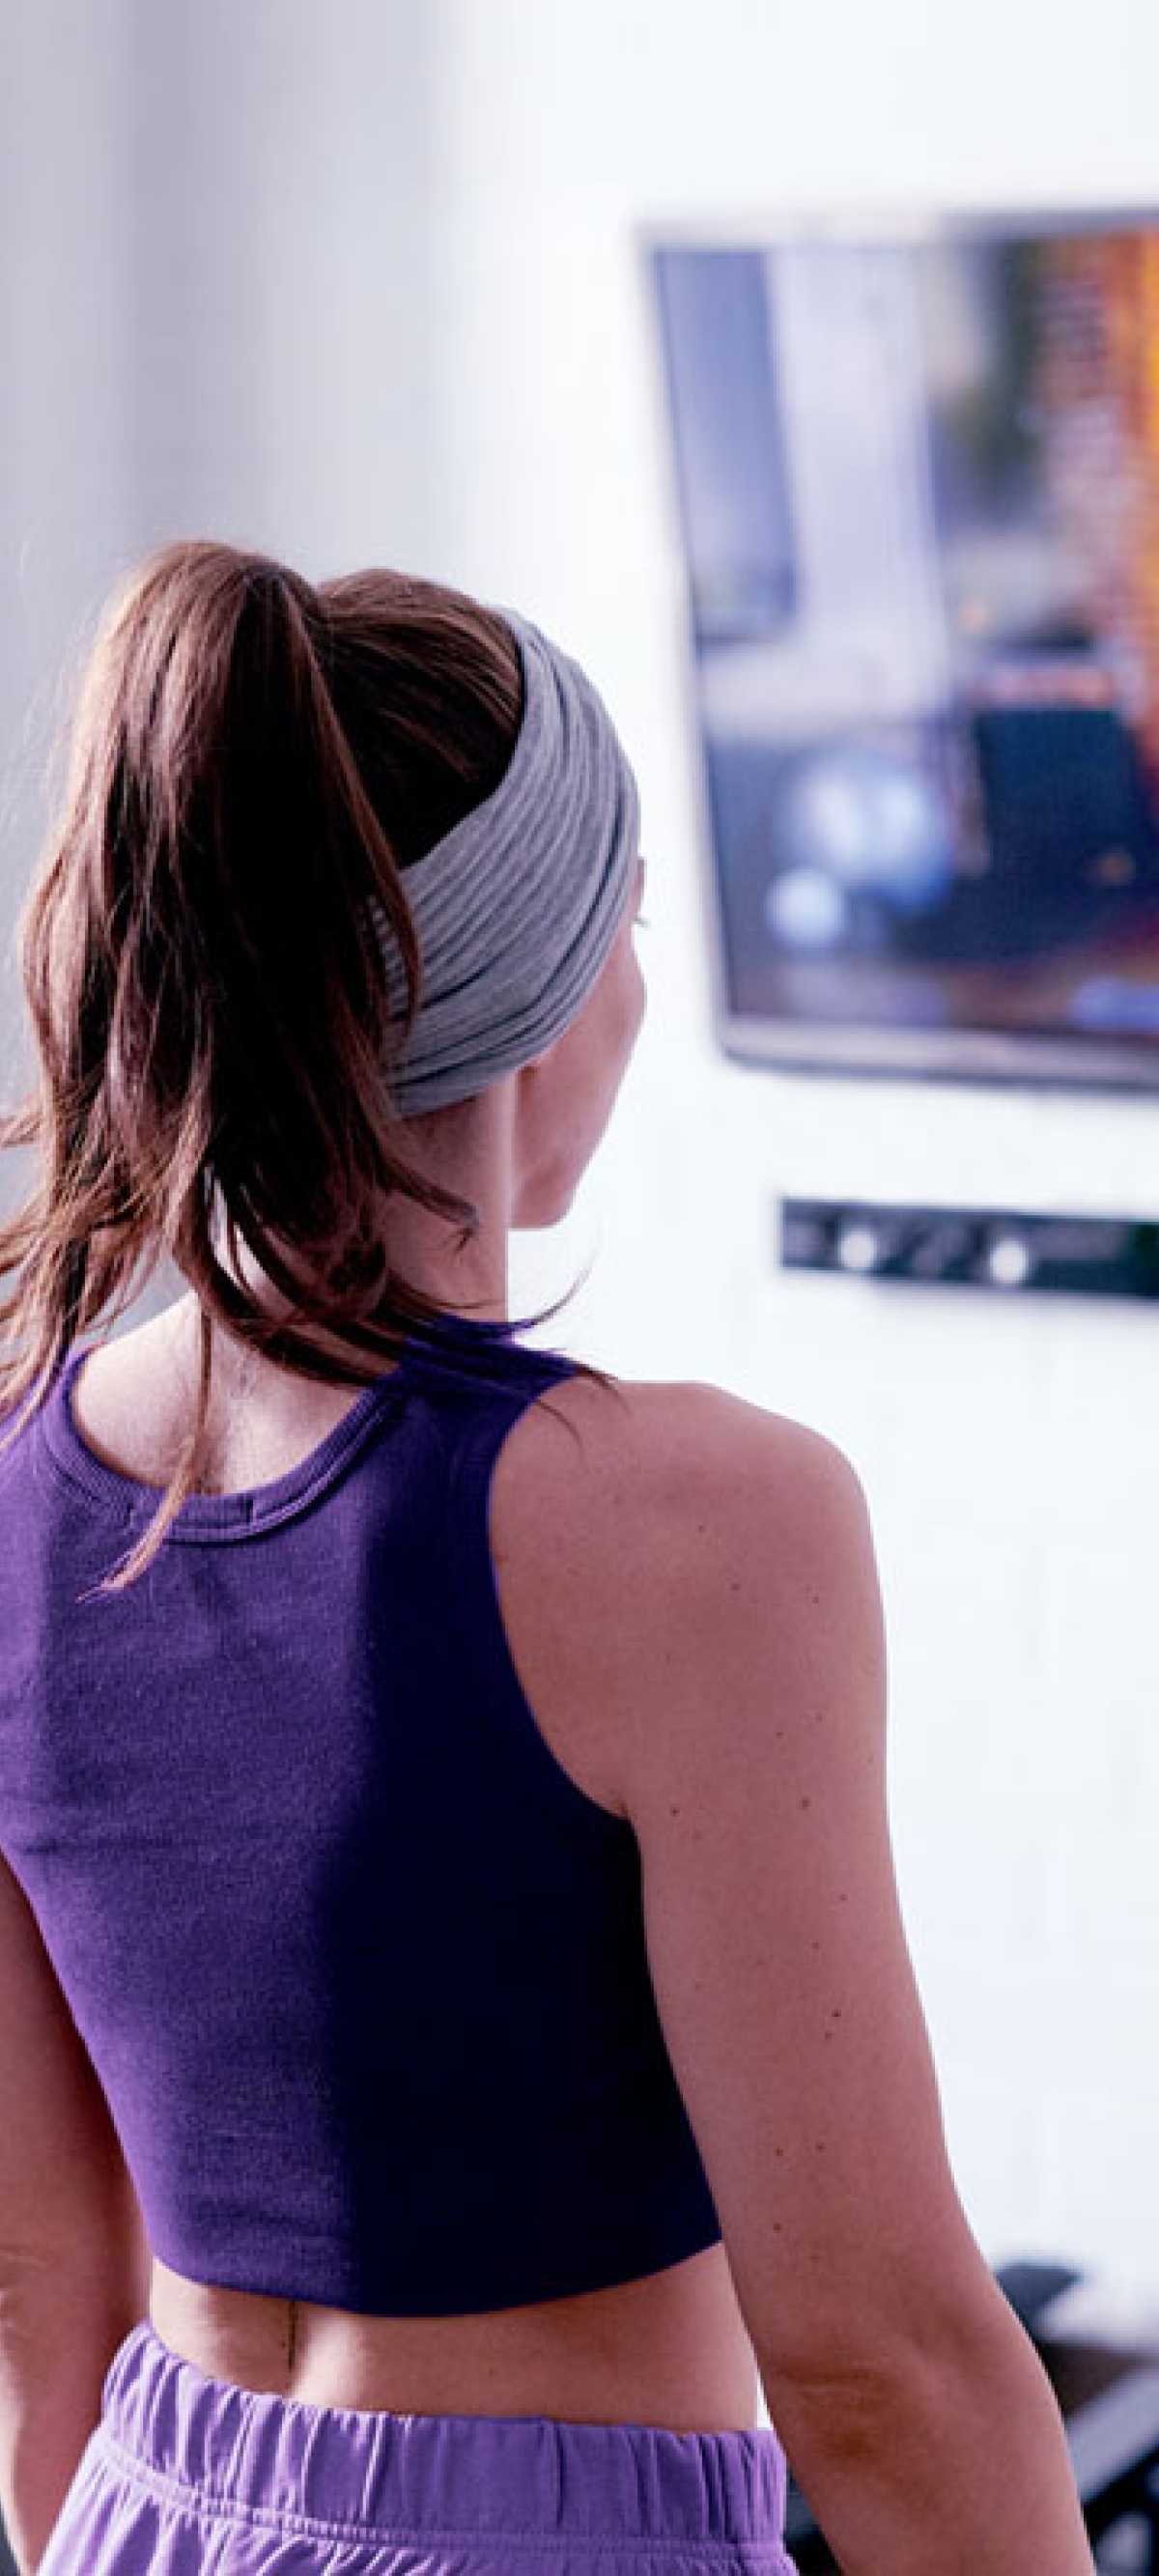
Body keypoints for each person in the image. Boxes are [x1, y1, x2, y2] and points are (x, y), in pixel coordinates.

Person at [0, 540, 1091, 2576]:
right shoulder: (699, 1521)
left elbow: (46, 2302)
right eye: (633, 923)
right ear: (536, 991)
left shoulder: (15, 1488)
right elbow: (876, 2360)